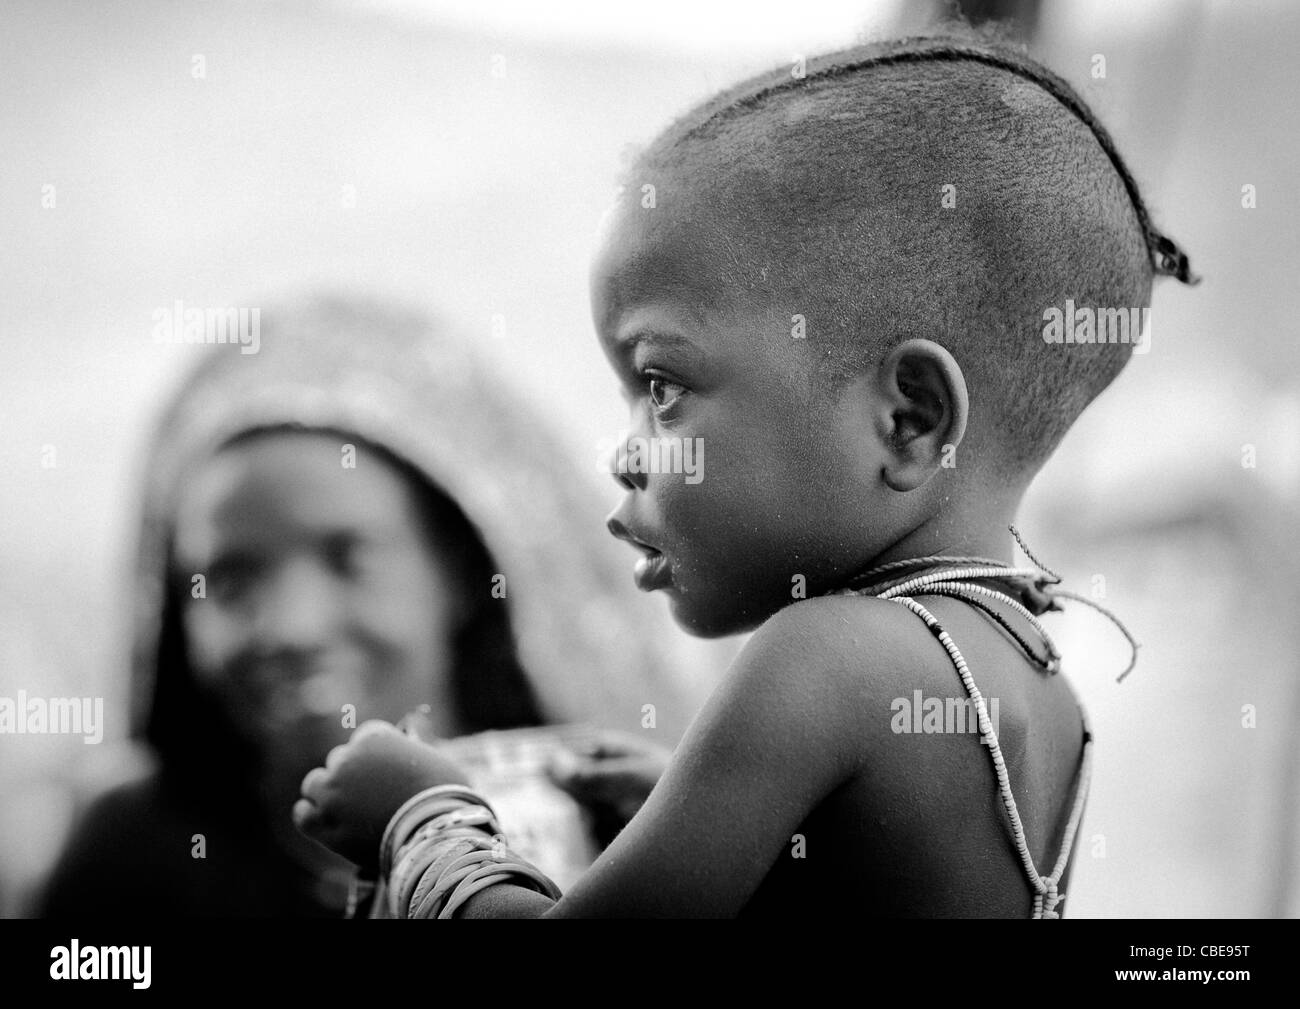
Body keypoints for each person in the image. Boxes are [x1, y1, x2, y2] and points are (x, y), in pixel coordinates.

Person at [293, 30, 1197, 918]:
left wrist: (423, 819)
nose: (627, 451)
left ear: (909, 419)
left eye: (660, 384)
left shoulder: (819, 658)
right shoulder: (1047, 691)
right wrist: (703, 808)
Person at [35, 294, 695, 916]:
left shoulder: (613, 810)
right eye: (229, 579)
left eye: (348, 558)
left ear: (462, 571)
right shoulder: (133, 852)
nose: (291, 626)